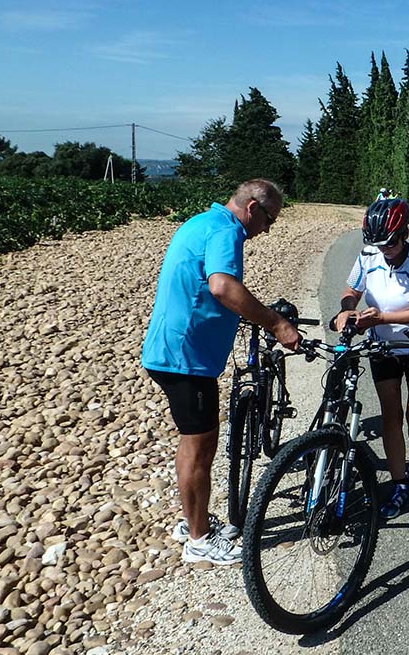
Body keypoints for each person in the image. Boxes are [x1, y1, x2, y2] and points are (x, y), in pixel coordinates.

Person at [141, 179, 301, 565]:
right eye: (269, 220)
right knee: (200, 447)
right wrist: (275, 323)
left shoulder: (203, 221)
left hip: (172, 350)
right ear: (251, 208)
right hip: (186, 358)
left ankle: (190, 519)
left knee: (193, 441)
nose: (266, 230)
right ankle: (199, 539)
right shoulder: (225, 231)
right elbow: (222, 286)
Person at [331, 198, 409, 519]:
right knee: (390, 415)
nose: (384, 248)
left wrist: (382, 318)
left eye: (390, 242)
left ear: (404, 233)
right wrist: (347, 308)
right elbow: (351, 289)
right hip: (382, 349)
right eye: (377, 243)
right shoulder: (367, 257)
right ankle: (400, 483)